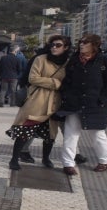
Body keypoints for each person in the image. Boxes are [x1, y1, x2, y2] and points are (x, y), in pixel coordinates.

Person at [5, 35, 70, 170]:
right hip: (37, 100)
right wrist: (56, 83)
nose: (54, 47)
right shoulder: (41, 59)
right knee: (25, 129)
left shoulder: (68, 63)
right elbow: (33, 78)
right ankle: (14, 159)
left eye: (58, 45)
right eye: (52, 45)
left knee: (50, 133)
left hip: (55, 102)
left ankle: (46, 158)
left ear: (66, 47)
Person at [57, 34, 107, 175]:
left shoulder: (104, 60)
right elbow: (67, 81)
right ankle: (68, 163)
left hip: (95, 104)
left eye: (85, 42)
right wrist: (66, 95)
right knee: (71, 134)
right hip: (74, 103)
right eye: (81, 42)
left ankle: (105, 160)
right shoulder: (74, 60)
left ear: (94, 45)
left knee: (97, 133)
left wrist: (103, 99)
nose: (81, 44)